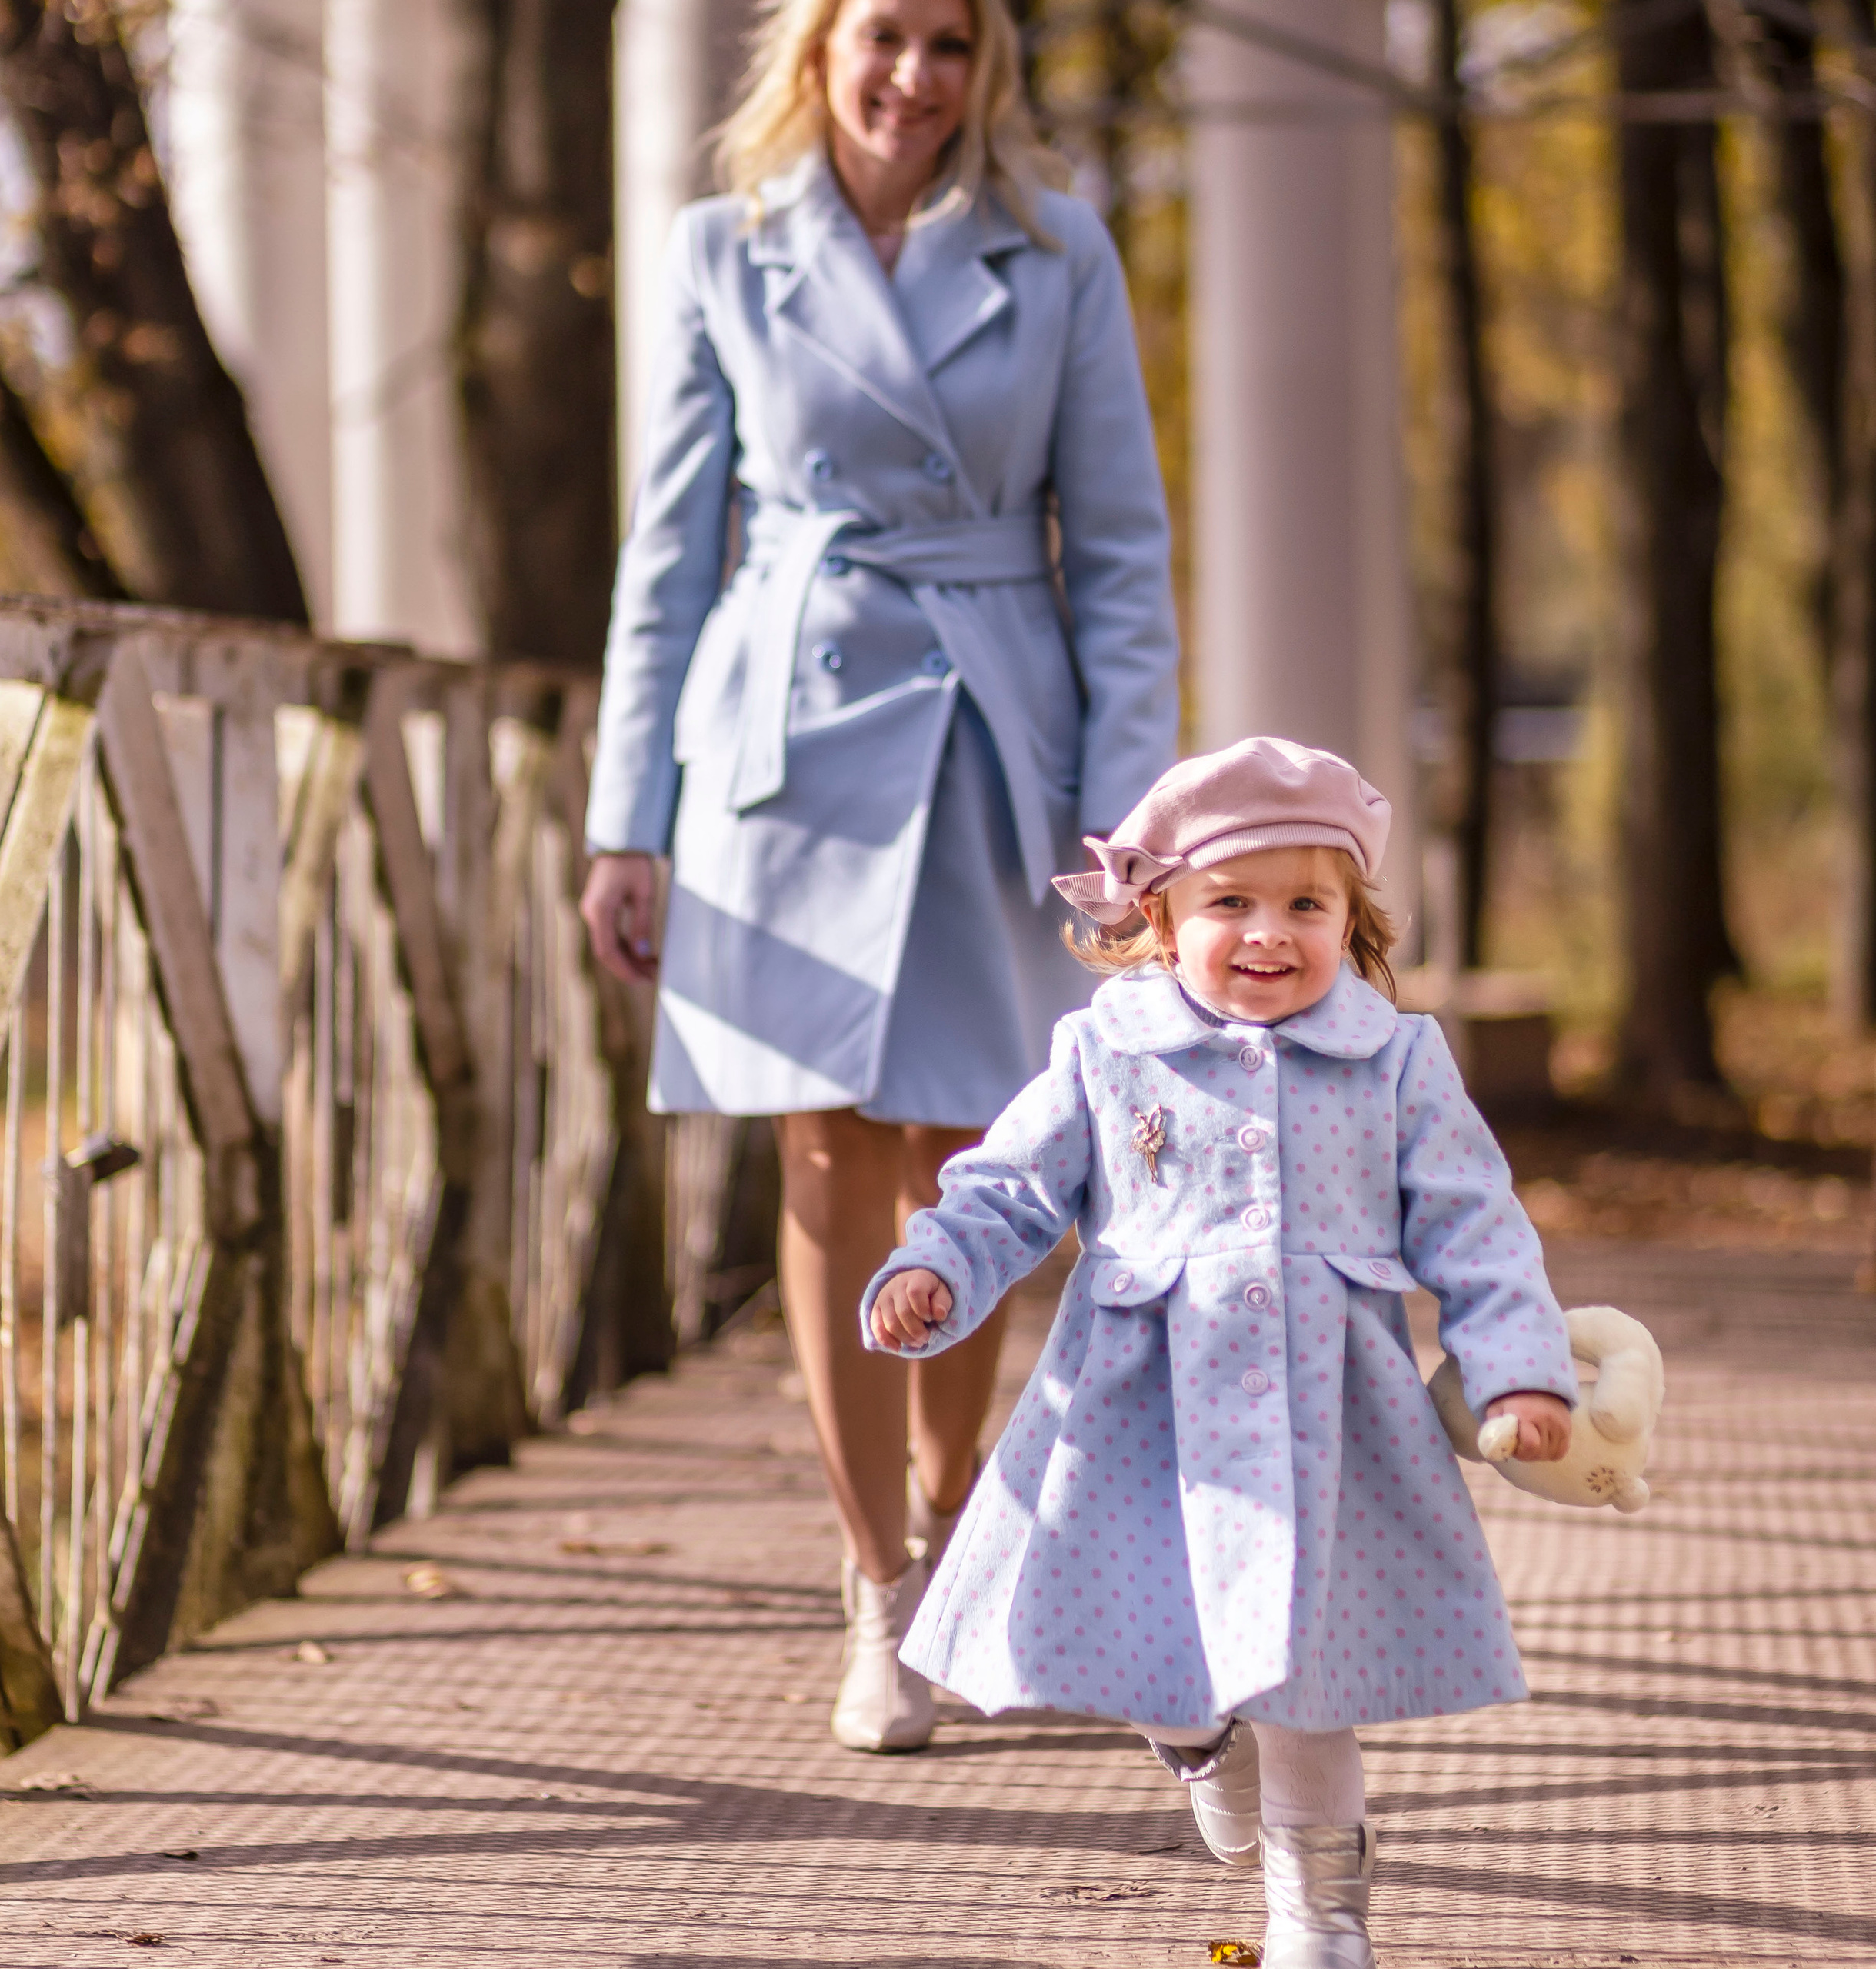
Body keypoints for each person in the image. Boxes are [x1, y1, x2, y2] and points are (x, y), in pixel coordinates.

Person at [578, 0, 1178, 1755]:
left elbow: (1123, 557)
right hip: (786, 746)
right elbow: (665, 554)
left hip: (995, 736)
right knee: (832, 1148)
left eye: (947, 42)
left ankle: (955, 1509)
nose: (912, 75)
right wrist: (632, 816)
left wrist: (1122, 820)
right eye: (882, 36)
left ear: (985, 67)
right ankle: (880, 1587)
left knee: (968, 1158)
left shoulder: (1057, 252)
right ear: (815, 49)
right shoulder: (721, 250)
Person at [864, 737, 1578, 1967]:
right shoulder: (1109, 1051)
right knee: (1153, 1655)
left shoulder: (1397, 1061)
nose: (1270, 932)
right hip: (1137, 1418)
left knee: (1306, 1681)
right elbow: (1011, 1186)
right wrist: (938, 1265)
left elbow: (1477, 1226)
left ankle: (1319, 1913)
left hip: (1328, 1425)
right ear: (1159, 914)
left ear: (1354, 916)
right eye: (1230, 903)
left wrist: (1520, 1367)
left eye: (1308, 904)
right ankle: (1197, 1744)